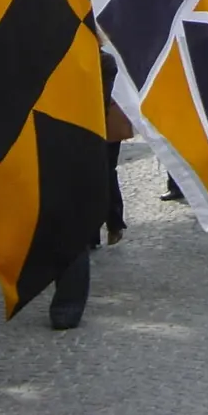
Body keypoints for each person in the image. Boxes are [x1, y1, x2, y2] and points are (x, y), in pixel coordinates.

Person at [46, 48, 124, 330]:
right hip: (44, 145)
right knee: (51, 224)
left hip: (81, 147)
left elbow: (94, 102)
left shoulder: (102, 62)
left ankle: (68, 302)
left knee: (71, 226)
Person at [163, 0, 208, 201]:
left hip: (207, 82)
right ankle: (175, 183)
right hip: (177, 80)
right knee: (174, 135)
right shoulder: (172, 9)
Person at [99, 47, 129, 247]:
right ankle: (93, 234)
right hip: (87, 125)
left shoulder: (106, 60)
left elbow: (103, 97)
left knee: (106, 173)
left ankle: (115, 223)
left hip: (106, 125)